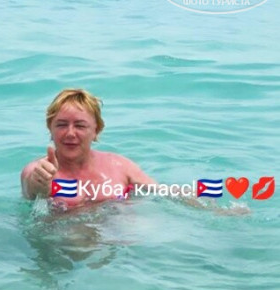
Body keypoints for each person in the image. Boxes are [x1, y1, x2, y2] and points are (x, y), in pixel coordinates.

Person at [21, 88, 249, 214]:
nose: (70, 133)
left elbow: (164, 192)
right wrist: (41, 185)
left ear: (96, 130)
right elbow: (32, 189)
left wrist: (216, 210)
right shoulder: (38, 170)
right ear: (50, 128)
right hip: (61, 246)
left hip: (114, 245)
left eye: (80, 126)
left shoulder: (119, 166)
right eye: (61, 125)